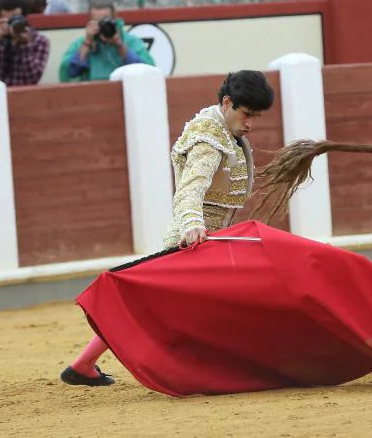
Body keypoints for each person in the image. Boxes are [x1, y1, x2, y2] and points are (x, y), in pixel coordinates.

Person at [60, 70, 276, 386]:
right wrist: (192, 225)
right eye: (246, 114)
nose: (250, 123)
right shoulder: (209, 141)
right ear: (227, 103)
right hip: (195, 241)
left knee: (148, 307)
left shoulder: (220, 130)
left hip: (210, 239)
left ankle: (83, 364)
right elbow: (189, 190)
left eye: (255, 117)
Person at [59, 0, 154, 82]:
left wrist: (119, 45)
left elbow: (147, 70)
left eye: (105, 21)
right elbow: (68, 74)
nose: (102, 26)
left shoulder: (130, 41)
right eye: (97, 22)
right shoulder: (81, 44)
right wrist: (87, 43)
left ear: (115, 20)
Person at [0, 0, 51, 86]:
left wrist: (24, 45)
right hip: (0, 92)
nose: (12, 25)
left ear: (25, 18)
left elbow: (33, 77)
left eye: (15, 19)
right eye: (8, 21)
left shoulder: (39, 41)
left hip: (26, 93)